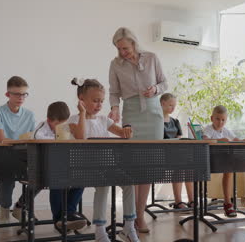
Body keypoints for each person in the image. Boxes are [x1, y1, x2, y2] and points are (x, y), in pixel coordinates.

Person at [108, 27, 167, 232]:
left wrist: (155, 89)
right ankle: (129, 217)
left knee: (148, 169)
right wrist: (115, 109)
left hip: (153, 114)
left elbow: (164, 83)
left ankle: (139, 216)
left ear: (134, 43)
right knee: (132, 167)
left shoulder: (152, 57)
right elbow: (114, 92)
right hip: (131, 113)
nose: (122, 52)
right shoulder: (115, 65)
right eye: (119, 48)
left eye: (125, 47)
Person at [68, 78, 138, 242]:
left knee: (129, 182)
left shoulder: (104, 120)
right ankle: (100, 230)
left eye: (101, 101)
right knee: (104, 183)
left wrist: (127, 129)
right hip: (84, 167)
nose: (99, 105)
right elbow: (80, 137)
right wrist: (83, 114)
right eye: (95, 101)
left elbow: (122, 133)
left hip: (106, 165)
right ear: (82, 101)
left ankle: (129, 226)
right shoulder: (74, 120)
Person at [34, 101, 87, 232]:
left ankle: (68, 214)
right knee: (57, 184)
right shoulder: (42, 127)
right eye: (57, 124)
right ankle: (59, 219)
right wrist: (58, 140)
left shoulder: (68, 126)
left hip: (64, 166)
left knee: (81, 180)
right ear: (49, 120)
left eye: (63, 123)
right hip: (46, 168)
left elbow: (78, 140)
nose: (60, 127)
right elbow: (37, 138)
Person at [0, 76, 35, 223]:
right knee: (7, 174)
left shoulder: (29, 115)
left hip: (24, 155)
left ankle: (20, 206)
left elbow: (33, 139)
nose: (21, 97)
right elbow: (2, 139)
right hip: (4, 155)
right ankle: (4, 208)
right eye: (16, 94)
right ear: (7, 94)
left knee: (42, 174)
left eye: (24, 94)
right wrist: (21, 141)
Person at [202, 105, 245, 217]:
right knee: (229, 170)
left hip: (226, 159)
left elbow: (236, 140)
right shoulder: (209, 129)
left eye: (223, 120)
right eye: (217, 119)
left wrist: (244, 140)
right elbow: (204, 139)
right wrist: (219, 140)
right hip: (212, 160)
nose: (220, 122)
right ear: (212, 118)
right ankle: (227, 203)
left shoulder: (226, 130)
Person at [160, 93, 193, 209]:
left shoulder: (175, 121)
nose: (173, 108)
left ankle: (192, 200)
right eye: (170, 105)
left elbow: (180, 140)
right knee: (180, 166)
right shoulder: (156, 121)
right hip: (162, 154)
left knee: (189, 165)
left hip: (176, 152)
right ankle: (178, 201)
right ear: (162, 104)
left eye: (174, 105)